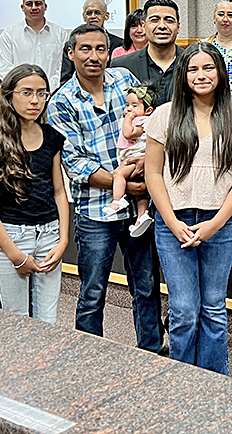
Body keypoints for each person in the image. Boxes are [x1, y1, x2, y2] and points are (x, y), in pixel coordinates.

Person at [48, 23, 162, 352]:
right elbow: (74, 163)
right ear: (71, 53)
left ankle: (152, 352)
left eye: (100, 49)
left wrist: (146, 169)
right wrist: (125, 184)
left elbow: (149, 127)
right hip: (95, 211)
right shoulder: (61, 102)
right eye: (85, 49)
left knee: (146, 286)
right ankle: (90, 357)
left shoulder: (124, 80)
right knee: (93, 291)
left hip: (137, 211)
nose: (94, 56)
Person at [144, 41, 232, 373]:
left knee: (213, 307)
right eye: (193, 69)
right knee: (183, 309)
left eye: (208, 68)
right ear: (183, 74)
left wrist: (215, 224)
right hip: (173, 222)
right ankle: (181, 381)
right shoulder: (163, 116)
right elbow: (153, 173)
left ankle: (214, 383)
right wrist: (171, 221)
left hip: (220, 223)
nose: (201, 75)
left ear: (220, 72)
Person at [0, 64, 69, 324]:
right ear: (9, 97)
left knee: (48, 319)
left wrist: (63, 240)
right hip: (11, 236)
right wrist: (15, 256)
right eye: (26, 92)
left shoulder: (52, 137)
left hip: (49, 234)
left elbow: (59, 192)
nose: (35, 100)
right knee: (17, 320)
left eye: (42, 93)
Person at [103, 83, 156, 237]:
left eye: (134, 105)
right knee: (140, 195)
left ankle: (117, 200)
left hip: (135, 159)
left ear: (148, 111)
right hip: (135, 159)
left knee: (118, 174)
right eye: (127, 105)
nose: (129, 109)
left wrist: (128, 118)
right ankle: (142, 216)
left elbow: (129, 133)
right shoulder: (139, 119)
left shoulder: (143, 121)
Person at [113, 0, 184, 105]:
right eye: (154, 20)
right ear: (144, 26)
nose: (162, 26)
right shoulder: (122, 66)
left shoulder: (192, 63)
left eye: (169, 20)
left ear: (178, 27)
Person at [0, 0, 69, 91]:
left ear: (45, 6)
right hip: (19, 93)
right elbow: (3, 68)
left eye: (38, 3)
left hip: (53, 92)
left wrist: (47, 88)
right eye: (29, 4)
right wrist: (26, 87)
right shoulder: (9, 35)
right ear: (22, 7)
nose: (34, 7)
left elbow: (64, 68)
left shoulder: (61, 34)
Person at [59, 0, 124, 85]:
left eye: (97, 13)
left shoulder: (119, 44)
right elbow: (66, 78)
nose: (93, 16)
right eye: (89, 13)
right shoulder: (71, 44)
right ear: (84, 17)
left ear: (106, 16)